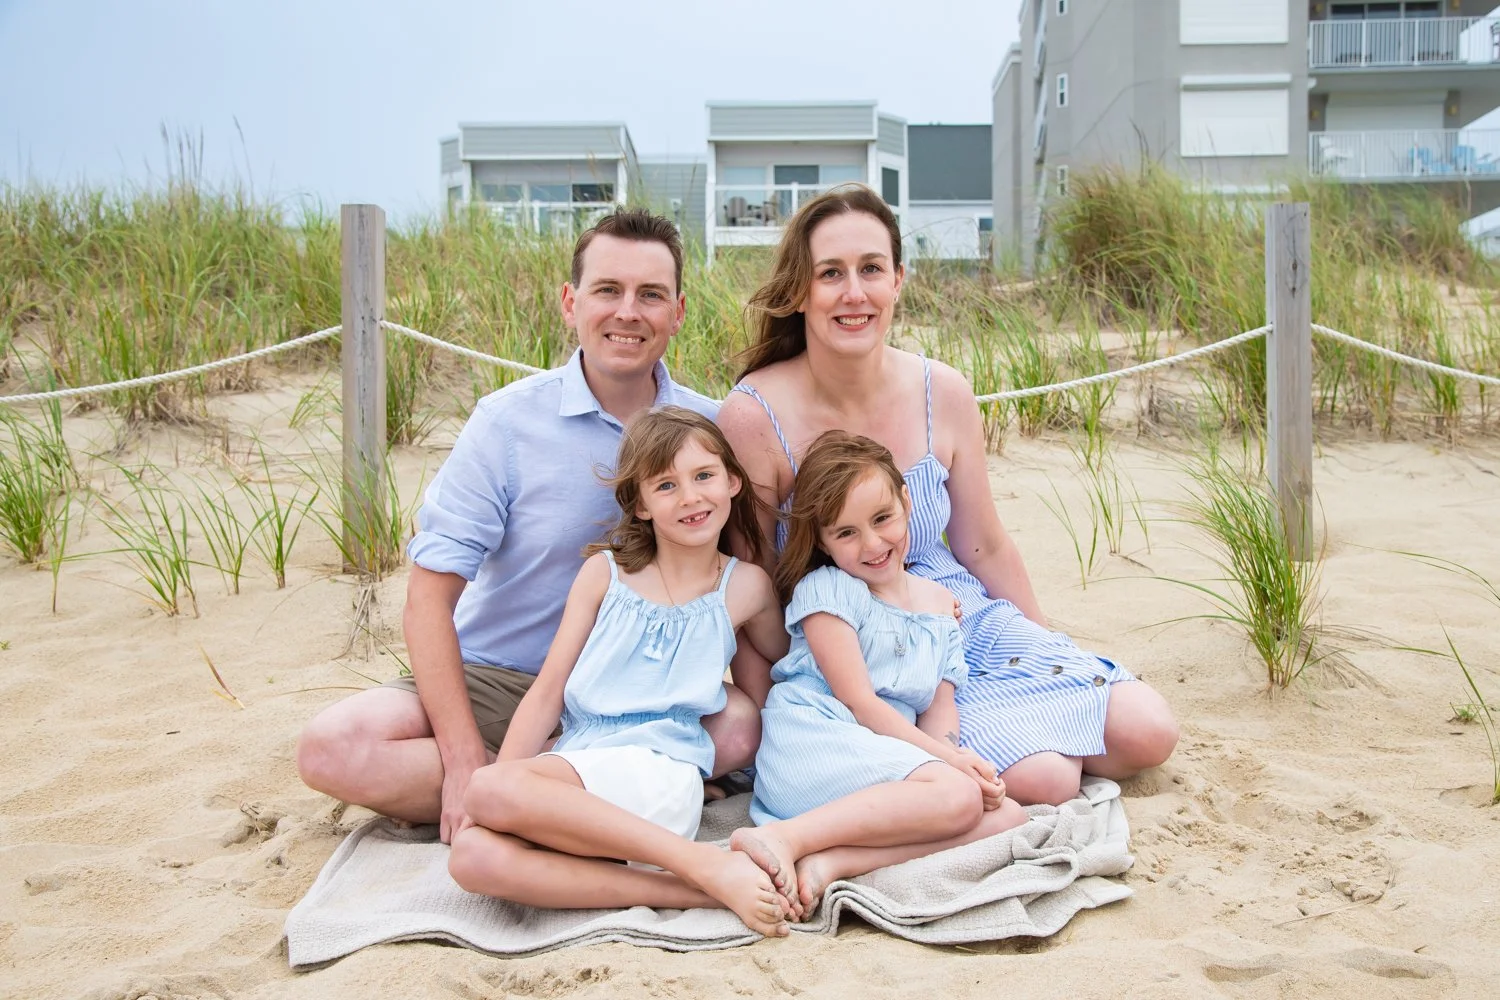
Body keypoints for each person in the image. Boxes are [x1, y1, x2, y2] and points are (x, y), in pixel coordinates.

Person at [297, 210, 761, 844]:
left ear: (677, 312)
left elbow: (742, 579)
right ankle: (548, 790)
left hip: (644, 695)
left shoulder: (710, 432)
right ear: (571, 302)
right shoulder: (507, 423)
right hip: (501, 678)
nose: (628, 311)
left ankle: (573, 788)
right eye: (607, 290)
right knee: (332, 749)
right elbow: (428, 600)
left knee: (737, 727)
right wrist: (462, 764)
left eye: (650, 294)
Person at [717, 184, 1179, 808]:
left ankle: (1020, 729)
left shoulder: (944, 390)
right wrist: (780, 718)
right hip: (858, 651)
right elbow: (753, 588)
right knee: (1048, 779)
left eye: (871, 269)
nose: (854, 293)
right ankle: (978, 758)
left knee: (1149, 729)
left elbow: (983, 544)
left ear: (899, 280)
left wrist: (1046, 649)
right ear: (800, 289)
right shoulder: (753, 415)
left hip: (957, 614)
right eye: (831, 273)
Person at [447, 407, 792, 937]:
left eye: (704, 476)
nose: (691, 497)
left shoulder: (745, 587)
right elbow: (547, 693)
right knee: (471, 856)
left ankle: (693, 863)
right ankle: (693, 883)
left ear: (733, 481)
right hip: (584, 763)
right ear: (641, 504)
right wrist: (500, 787)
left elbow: (783, 664)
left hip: (663, 769)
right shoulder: (604, 573)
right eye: (667, 485)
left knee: (488, 790)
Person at [730, 431, 1028, 920]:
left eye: (882, 519)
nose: (872, 543)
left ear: (906, 502)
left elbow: (938, 708)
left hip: (888, 757)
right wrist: (948, 768)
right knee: (956, 794)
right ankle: (783, 837)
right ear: (822, 541)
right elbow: (859, 702)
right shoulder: (829, 591)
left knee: (1007, 814)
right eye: (845, 533)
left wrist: (954, 754)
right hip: (818, 741)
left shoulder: (939, 606)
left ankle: (832, 862)